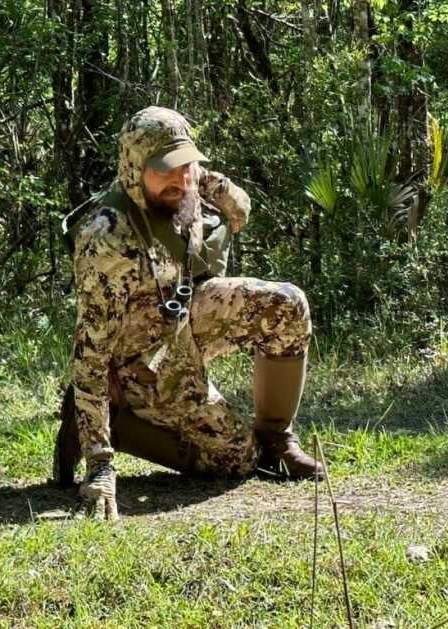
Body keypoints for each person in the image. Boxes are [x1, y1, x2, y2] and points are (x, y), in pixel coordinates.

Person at [56, 106, 324, 520]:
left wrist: (213, 185)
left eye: (187, 165)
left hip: (181, 319)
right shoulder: (106, 239)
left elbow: (240, 209)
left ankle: (277, 439)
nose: (181, 180)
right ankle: (117, 425)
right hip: (139, 363)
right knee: (238, 460)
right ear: (133, 169)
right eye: (166, 169)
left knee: (287, 305)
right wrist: (100, 466)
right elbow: (90, 354)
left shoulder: (189, 184)